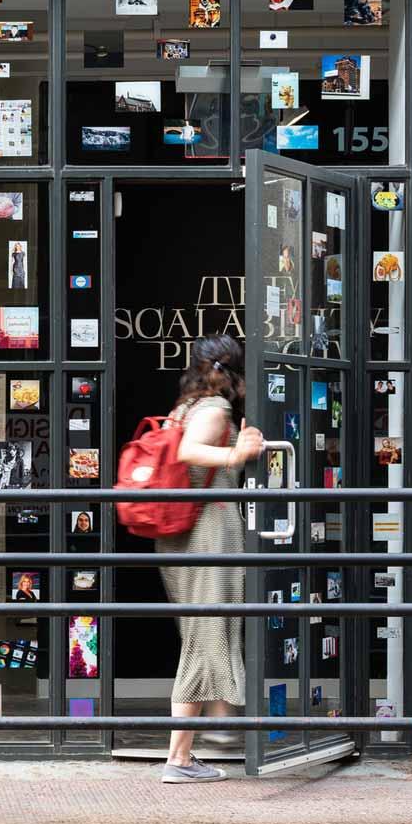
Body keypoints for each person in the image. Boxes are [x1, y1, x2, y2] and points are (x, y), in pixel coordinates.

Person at [158, 334, 265, 784]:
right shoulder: (214, 410)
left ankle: (213, 726)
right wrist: (236, 453)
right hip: (209, 531)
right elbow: (189, 454)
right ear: (226, 370)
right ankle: (179, 760)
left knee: (202, 633)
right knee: (204, 637)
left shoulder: (182, 408)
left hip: (180, 531)